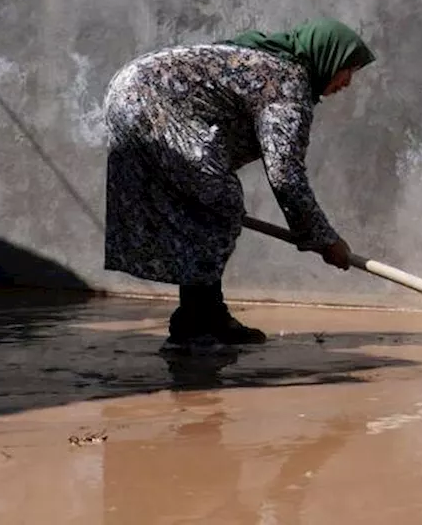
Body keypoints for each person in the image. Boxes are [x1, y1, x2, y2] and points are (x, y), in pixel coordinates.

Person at [101, 17, 375, 352]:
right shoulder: (286, 83)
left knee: (205, 207)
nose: (347, 82)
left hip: (126, 91)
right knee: (222, 203)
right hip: (149, 99)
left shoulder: (266, 61)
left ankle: (205, 316)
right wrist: (323, 238)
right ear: (326, 56)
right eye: (347, 69)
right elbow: (285, 175)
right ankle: (197, 323)